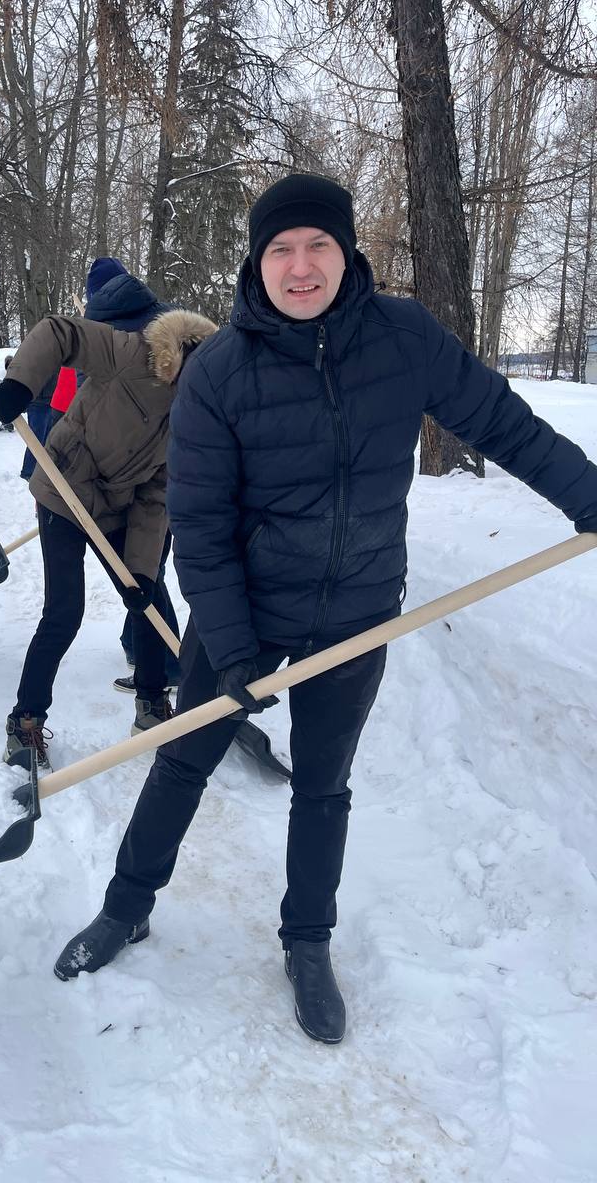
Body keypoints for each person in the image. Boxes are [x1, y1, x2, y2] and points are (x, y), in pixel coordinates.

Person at [53, 172, 597, 1044]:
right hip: (249, 612)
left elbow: (504, 423)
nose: (301, 267)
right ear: (256, 261)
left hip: (358, 612)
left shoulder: (404, 338)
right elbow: (199, 522)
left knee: (324, 786)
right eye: (281, 250)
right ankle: (126, 906)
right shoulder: (218, 374)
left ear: (347, 253)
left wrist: (588, 495)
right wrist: (229, 650)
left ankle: (307, 942)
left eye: (318, 246)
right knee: (183, 759)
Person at [0, 299, 216, 772]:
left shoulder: (193, 419)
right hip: (63, 488)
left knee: (148, 603)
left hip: (119, 508)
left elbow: (157, 495)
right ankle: (24, 721)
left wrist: (139, 571)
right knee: (65, 611)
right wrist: (20, 383)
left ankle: (153, 709)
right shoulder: (133, 353)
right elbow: (58, 333)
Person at [80, 257, 183, 691]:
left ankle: (171, 666)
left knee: (146, 572)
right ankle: (141, 646)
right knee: (141, 574)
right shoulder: (158, 331)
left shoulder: (146, 349)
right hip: (166, 472)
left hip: (163, 478)